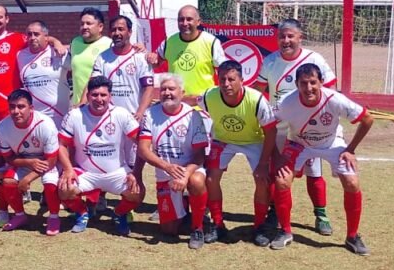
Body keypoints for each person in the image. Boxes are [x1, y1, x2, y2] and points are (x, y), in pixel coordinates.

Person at [268, 63, 373, 255]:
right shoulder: (286, 103)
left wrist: (350, 150)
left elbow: (367, 118)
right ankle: (284, 231)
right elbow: (269, 124)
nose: (308, 88)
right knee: (281, 180)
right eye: (303, 83)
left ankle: (352, 236)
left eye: (313, 83)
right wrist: (278, 154)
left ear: (321, 82)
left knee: (352, 182)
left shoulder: (335, 99)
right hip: (299, 143)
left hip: (332, 143)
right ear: (297, 85)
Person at [253, 18, 338, 236]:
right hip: (280, 129)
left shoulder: (314, 59)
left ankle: (321, 214)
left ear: (300, 37)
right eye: (282, 36)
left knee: (313, 171)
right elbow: (259, 89)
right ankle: (275, 213)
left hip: (308, 127)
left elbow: (330, 89)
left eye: (291, 36)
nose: (286, 40)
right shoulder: (270, 61)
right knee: (277, 172)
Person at [199, 60, 276, 246]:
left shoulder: (256, 99)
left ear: (242, 80)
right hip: (223, 140)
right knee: (210, 178)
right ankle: (217, 225)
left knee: (262, 178)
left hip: (253, 141)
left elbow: (271, 131)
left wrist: (264, 163)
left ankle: (259, 226)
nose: (226, 84)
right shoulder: (209, 96)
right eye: (222, 79)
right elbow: (193, 101)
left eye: (231, 79)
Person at [57, 75, 145, 236]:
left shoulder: (121, 114)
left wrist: (136, 172)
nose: (99, 99)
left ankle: (119, 214)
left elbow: (142, 144)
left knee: (137, 193)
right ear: (88, 95)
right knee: (64, 189)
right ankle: (82, 213)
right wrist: (68, 169)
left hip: (116, 171)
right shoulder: (75, 115)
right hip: (86, 173)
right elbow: (61, 145)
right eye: (94, 95)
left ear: (110, 96)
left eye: (103, 95)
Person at [136, 74, 211, 248]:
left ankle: (197, 227)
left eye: (172, 89)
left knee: (197, 181)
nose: (167, 93)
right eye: (163, 89)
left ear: (182, 92)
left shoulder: (193, 116)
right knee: (168, 230)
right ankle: (184, 208)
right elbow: (143, 149)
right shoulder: (150, 115)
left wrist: (184, 175)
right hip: (165, 173)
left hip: (190, 170)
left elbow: (200, 155)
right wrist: (167, 167)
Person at [0, 89, 64, 234]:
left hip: (46, 161)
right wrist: (29, 163)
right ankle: (20, 215)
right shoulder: (3, 127)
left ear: (31, 108)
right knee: (8, 182)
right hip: (24, 161)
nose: (16, 111)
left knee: (50, 184)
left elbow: (51, 159)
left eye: (21, 106)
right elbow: (8, 158)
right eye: (12, 107)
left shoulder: (45, 124)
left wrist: (28, 178)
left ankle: (54, 217)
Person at [147, 5, 228, 104]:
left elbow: (225, 70)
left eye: (189, 19)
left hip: (203, 105)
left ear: (198, 22)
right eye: (181, 20)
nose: (185, 23)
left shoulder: (211, 42)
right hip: (176, 105)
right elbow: (155, 62)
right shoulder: (169, 42)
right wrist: (147, 55)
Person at [88, 15, 156, 121]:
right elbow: (93, 85)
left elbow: (148, 88)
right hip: (108, 118)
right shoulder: (102, 57)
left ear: (129, 32)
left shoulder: (141, 57)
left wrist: (140, 112)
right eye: (113, 30)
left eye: (121, 29)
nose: (117, 33)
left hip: (134, 117)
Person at [17, 20, 71, 124]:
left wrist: (56, 41)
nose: (32, 38)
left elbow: (79, 72)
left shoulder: (58, 52)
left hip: (58, 116)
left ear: (46, 37)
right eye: (29, 34)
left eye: (36, 34)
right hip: (33, 117)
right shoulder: (20, 55)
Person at [70, 7, 112, 105]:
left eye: (89, 23)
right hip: (78, 105)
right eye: (82, 24)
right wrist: (55, 41)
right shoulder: (75, 42)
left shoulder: (109, 44)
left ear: (100, 27)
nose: (84, 27)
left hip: (100, 105)